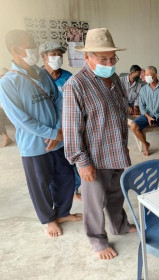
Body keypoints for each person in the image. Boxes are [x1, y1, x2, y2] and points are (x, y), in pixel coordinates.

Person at [63, 28, 137, 260]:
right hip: (94, 157)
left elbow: (118, 110)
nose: (109, 62)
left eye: (112, 57)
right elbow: (71, 128)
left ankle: (120, 226)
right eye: (103, 58)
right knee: (94, 203)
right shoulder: (76, 85)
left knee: (116, 195)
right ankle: (97, 240)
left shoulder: (114, 78)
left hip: (116, 150)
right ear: (87, 57)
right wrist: (81, 162)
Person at [0, 30, 81, 238]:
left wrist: (58, 130)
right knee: (40, 184)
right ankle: (49, 219)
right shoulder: (8, 82)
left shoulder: (41, 73)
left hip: (58, 140)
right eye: (30, 44)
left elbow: (57, 100)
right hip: (34, 145)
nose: (34, 48)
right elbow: (21, 119)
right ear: (15, 50)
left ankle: (62, 212)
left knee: (65, 177)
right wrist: (52, 132)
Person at [39, 41, 81, 201]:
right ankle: (55, 198)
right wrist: (51, 132)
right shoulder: (37, 78)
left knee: (69, 164)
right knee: (50, 168)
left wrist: (63, 130)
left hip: (66, 128)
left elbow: (72, 105)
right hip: (47, 131)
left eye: (59, 54)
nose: (57, 57)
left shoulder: (68, 77)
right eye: (53, 54)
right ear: (44, 57)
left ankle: (73, 190)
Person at [130, 66, 159, 156]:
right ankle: (145, 144)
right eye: (144, 75)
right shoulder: (143, 90)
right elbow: (142, 106)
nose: (145, 77)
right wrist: (147, 116)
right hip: (148, 114)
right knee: (133, 126)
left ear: (155, 75)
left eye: (147, 75)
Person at [0, 67, 13, 146]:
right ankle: (6, 137)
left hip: (14, 110)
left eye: (3, 76)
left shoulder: (13, 84)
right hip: (3, 111)